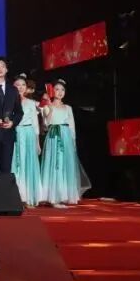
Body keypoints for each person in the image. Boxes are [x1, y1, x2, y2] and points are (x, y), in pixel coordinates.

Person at [39, 79, 88, 207]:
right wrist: (48, 107)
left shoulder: (68, 108)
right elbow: (45, 125)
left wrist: (73, 142)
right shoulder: (46, 106)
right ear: (51, 91)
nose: (60, 92)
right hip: (53, 136)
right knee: (54, 164)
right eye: (57, 89)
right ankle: (53, 197)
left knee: (65, 165)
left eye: (62, 90)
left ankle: (64, 195)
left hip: (66, 137)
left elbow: (72, 127)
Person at [11, 74, 42, 207]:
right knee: (15, 164)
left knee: (27, 165)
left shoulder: (31, 103)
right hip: (14, 133)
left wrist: (37, 142)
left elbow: (35, 124)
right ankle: (15, 197)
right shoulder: (7, 101)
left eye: (23, 85)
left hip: (28, 134)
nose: (20, 87)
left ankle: (28, 196)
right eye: (17, 85)